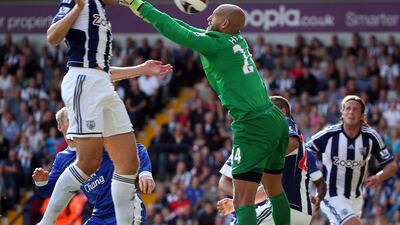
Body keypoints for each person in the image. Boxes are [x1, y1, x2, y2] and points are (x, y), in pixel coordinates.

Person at [121, 1, 290, 224]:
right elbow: (186, 28)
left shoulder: (216, 44)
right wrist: (146, 14)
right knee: (275, 191)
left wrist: (140, 5)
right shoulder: (234, 39)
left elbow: (177, 32)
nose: (208, 18)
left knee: (242, 201)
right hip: (274, 118)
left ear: (225, 22)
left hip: (252, 123)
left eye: (214, 16)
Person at [41, 0, 171, 224]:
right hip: (83, 81)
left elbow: (102, 70)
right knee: (88, 162)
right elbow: (52, 37)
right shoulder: (78, 2)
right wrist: (78, 9)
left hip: (101, 84)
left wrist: (142, 69)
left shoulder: (102, 10)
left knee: (129, 163)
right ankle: (46, 222)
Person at [33, 107, 155, 225]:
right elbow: (48, 192)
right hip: (101, 214)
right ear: (60, 126)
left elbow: (135, 147)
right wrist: (41, 182)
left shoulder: (96, 139)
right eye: (70, 120)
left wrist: (145, 173)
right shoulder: (62, 159)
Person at [217, 96, 326, 225]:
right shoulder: (254, 140)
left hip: (289, 206)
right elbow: (224, 182)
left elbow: (293, 142)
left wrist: (259, 160)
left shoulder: (284, 123)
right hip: (299, 211)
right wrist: (239, 200)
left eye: (266, 112)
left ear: (282, 112)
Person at [306, 95, 398, 225]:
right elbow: (306, 149)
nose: (351, 112)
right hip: (331, 194)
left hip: (356, 198)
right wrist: (314, 173)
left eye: (355, 109)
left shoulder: (371, 137)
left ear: (362, 116)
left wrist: (379, 177)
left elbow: (391, 165)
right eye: (348, 108)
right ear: (342, 113)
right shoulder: (329, 135)